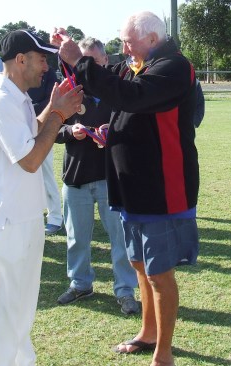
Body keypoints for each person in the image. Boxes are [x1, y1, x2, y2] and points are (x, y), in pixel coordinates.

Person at [52, 10, 199, 366]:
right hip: (130, 185)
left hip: (162, 187)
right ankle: (148, 334)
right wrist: (110, 131)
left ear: (152, 39)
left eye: (128, 41)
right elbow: (109, 95)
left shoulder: (175, 66)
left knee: (160, 272)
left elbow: (130, 97)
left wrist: (81, 59)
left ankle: (164, 354)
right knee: (139, 264)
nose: (124, 47)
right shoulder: (137, 63)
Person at [0, 29, 83, 365]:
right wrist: (58, 115)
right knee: (3, 314)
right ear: (20, 60)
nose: (47, 66)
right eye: (42, 58)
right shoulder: (0, 99)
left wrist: (53, 110)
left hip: (25, 218)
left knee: (22, 309)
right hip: (9, 221)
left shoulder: (17, 96)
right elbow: (30, 160)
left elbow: (30, 135)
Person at [55, 37, 139, 315]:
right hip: (75, 177)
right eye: (80, 61)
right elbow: (48, 130)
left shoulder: (119, 91)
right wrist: (70, 131)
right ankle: (80, 283)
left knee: (120, 238)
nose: (83, 67)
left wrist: (111, 133)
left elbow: (135, 129)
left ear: (104, 61)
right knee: (76, 238)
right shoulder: (69, 90)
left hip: (110, 177)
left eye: (90, 61)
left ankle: (125, 290)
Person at [29, 67, 63, 235]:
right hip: (19, 126)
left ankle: (55, 217)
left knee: (47, 173)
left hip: (41, 128)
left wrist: (29, 111)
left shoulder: (48, 72)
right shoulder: (19, 70)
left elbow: (51, 100)